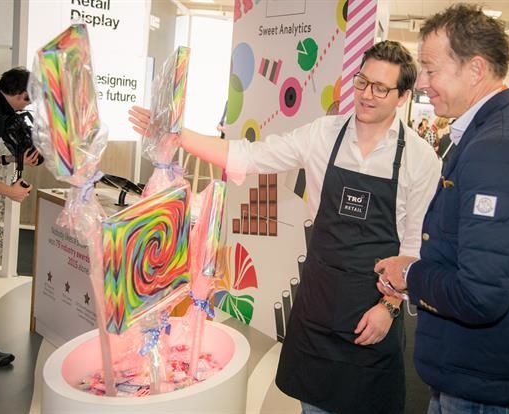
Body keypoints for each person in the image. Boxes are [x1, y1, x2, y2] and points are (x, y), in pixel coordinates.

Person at [130, 40, 441, 414]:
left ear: (403, 96)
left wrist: (388, 308)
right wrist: (178, 135)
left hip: (371, 313)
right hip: (318, 305)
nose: (367, 95)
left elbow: (413, 249)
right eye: (362, 82)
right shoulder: (323, 135)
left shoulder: (420, 159)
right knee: (312, 408)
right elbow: (248, 155)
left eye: (380, 88)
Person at [375, 4, 509, 413]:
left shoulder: (498, 148)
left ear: (475, 69)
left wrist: (409, 274)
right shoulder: (508, 131)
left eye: (430, 69)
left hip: (483, 381)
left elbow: (481, 295)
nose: (422, 82)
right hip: (488, 369)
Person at [0, 67, 39, 367]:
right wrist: (9, 192)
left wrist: (14, 159)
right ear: (19, 93)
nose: (27, 105)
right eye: (27, 99)